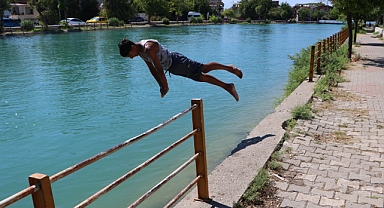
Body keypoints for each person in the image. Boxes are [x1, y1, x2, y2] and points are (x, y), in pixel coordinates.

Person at [118, 38, 243, 101]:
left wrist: (166, 87)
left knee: (203, 69)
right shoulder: (140, 52)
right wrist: (161, 86)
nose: (131, 58)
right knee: (199, 77)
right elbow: (152, 69)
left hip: (177, 61)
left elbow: (159, 69)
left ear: (133, 47)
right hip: (173, 68)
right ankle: (227, 86)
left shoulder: (148, 48)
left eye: (130, 55)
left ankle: (229, 68)